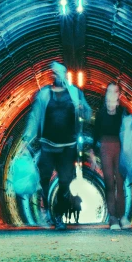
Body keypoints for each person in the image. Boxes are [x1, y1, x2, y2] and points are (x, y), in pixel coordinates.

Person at [22, 62, 93, 230]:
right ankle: (46, 210)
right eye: (53, 73)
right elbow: (34, 117)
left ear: (65, 74)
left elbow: (88, 113)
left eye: (59, 72)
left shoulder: (75, 93)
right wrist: (26, 140)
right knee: (44, 178)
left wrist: (82, 109)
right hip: (47, 145)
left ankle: (59, 214)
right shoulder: (44, 94)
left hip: (68, 146)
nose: (56, 75)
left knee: (65, 182)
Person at [94, 82, 131, 230]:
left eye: (114, 92)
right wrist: (92, 155)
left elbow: (129, 133)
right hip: (105, 147)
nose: (111, 94)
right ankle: (113, 218)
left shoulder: (123, 112)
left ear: (119, 95)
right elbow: (95, 134)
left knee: (120, 183)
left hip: (120, 147)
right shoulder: (101, 114)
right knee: (109, 182)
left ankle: (122, 216)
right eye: (109, 91)